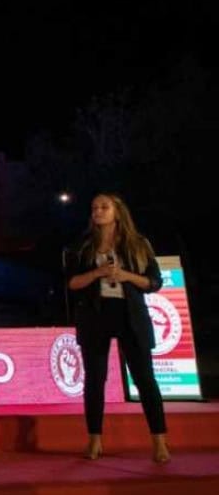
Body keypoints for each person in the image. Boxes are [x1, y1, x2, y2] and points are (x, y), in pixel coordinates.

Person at [66, 193, 170, 463]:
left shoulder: (137, 244)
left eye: (104, 207)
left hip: (130, 315)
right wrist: (97, 274)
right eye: (94, 208)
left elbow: (154, 282)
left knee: (145, 379)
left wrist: (126, 276)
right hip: (95, 316)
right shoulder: (83, 245)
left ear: (117, 212)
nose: (98, 212)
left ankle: (159, 441)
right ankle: (94, 439)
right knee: (95, 380)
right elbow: (73, 283)